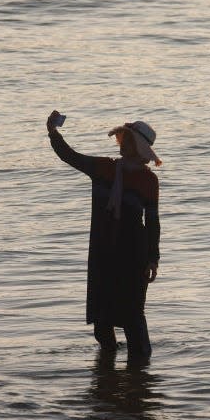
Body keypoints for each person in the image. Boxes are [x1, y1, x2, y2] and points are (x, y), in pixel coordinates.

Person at [46, 110, 162, 357]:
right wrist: (53, 132)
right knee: (102, 319)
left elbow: (153, 222)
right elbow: (69, 156)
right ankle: (108, 375)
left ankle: (140, 375)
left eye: (128, 140)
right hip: (104, 250)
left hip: (134, 254)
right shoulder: (102, 167)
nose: (122, 143)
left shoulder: (148, 181)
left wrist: (154, 259)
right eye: (122, 138)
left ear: (139, 149)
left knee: (133, 317)